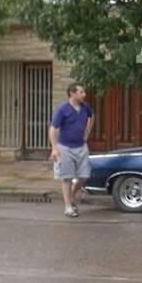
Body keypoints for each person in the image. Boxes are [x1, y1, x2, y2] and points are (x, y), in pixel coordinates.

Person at [49, 82, 94, 218]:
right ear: (72, 93)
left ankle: (72, 195)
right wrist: (54, 148)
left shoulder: (85, 107)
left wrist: (87, 131)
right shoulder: (63, 109)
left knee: (84, 175)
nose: (84, 95)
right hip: (65, 148)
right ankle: (68, 207)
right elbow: (52, 129)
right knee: (66, 178)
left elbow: (92, 117)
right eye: (81, 92)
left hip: (81, 146)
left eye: (84, 92)